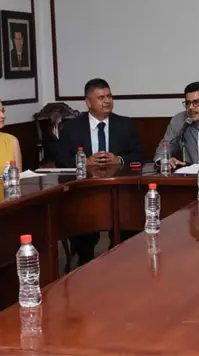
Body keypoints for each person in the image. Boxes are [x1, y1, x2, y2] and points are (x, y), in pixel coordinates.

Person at [55, 78, 143, 265]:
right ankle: (83, 264)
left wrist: (119, 160)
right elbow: (61, 160)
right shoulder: (72, 128)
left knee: (127, 230)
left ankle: (121, 262)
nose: (107, 101)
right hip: (85, 192)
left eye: (109, 96)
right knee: (83, 232)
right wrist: (84, 162)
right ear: (88, 102)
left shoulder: (125, 124)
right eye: (101, 98)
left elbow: (138, 155)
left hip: (119, 191)